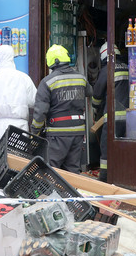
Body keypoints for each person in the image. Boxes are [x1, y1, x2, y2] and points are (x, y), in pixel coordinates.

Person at [31, 44, 92, 173]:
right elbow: (90, 92)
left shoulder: (48, 82)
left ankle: (53, 193)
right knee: (73, 170)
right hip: (78, 132)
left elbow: (40, 111)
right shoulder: (81, 78)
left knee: (52, 170)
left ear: (52, 61)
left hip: (58, 133)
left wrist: (34, 132)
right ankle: (72, 193)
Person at [93, 42, 129, 182]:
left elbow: (97, 94)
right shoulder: (126, 67)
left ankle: (104, 178)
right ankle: (121, 175)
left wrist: (95, 111)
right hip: (129, 117)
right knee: (122, 148)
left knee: (106, 148)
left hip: (113, 117)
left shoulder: (108, 69)